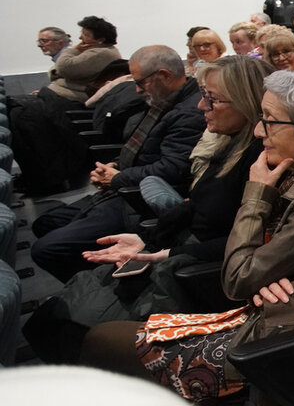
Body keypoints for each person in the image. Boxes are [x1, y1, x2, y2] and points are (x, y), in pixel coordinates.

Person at [79, 71, 294, 406]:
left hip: (269, 339)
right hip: (258, 316)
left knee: (99, 339)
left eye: (270, 121)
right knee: (106, 332)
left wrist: (256, 197)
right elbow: (253, 271)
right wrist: (263, 276)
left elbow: (237, 279)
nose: (259, 130)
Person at [23, 56, 273, 362]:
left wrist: (164, 253)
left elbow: (250, 241)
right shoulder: (231, 145)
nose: (201, 106)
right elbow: (199, 209)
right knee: (61, 310)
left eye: (212, 99)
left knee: (73, 329)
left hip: (196, 271)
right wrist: (149, 239)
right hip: (178, 248)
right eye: (203, 96)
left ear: (246, 102)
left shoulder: (260, 161)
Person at [31, 45, 206, 282]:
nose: (136, 89)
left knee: (47, 249)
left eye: (140, 82)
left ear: (164, 76)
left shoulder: (189, 112)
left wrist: (116, 178)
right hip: (127, 184)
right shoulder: (165, 101)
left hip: (138, 198)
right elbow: (139, 148)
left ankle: (98, 286)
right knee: (45, 223)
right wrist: (112, 168)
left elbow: (171, 169)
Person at [10, 16, 121, 194]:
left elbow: (65, 67)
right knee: (15, 112)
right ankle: (34, 175)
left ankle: (46, 178)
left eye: (85, 35)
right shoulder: (94, 51)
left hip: (70, 102)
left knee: (22, 116)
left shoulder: (103, 53)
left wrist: (73, 50)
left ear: (99, 39)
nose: (80, 39)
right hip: (59, 96)